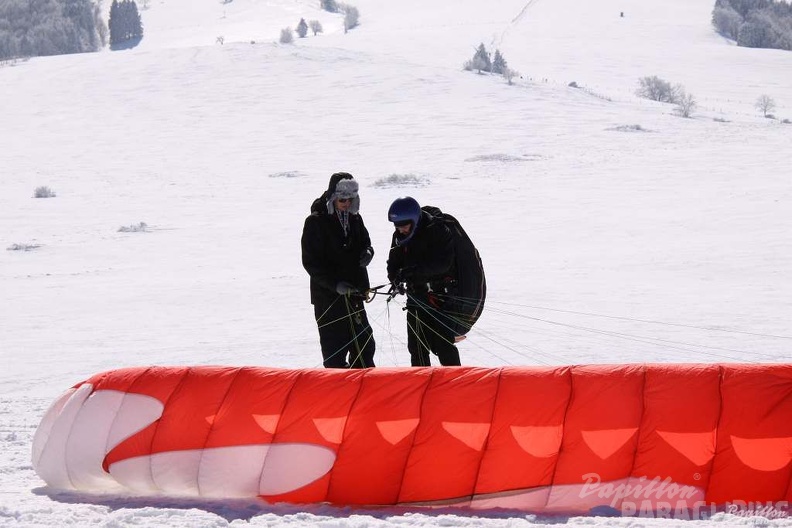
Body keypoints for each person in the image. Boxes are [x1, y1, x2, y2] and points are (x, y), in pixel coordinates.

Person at [301, 172, 376, 368]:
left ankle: (365, 394)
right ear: (333, 196)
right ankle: (340, 396)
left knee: (365, 348)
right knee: (334, 354)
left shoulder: (355, 218)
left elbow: (366, 242)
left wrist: (368, 252)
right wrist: (335, 285)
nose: (346, 203)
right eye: (342, 198)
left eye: (350, 199)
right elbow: (311, 263)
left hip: (354, 295)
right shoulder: (315, 222)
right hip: (328, 301)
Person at [386, 196, 462, 366]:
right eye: (397, 227)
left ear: (414, 220)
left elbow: (443, 264)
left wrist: (413, 271)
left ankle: (455, 388)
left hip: (440, 299)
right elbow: (393, 263)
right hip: (415, 299)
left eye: (404, 226)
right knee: (417, 348)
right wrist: (395, 277)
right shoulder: (398, 235)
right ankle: (421, 389)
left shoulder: (438, 230)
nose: (401, 230)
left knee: (444, 346)